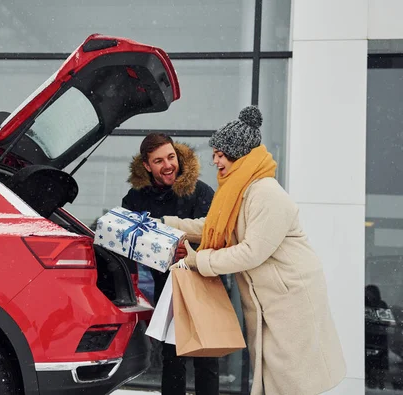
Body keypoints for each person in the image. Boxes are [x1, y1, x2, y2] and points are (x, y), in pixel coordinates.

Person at [164, 106, 346, 395]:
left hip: (290, 301)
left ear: (238, 154)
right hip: (269, 301)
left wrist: (201, 260)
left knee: (292, 381)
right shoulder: (239, 190)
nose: (214, 160)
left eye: (220, 154)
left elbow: (251, 251)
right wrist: (168, 225)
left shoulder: (266, 193)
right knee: (275, 377)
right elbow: (214, 225)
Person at [121, 133, 218, 395]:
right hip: (166, 288)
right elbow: (126, 243)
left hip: (203, 284)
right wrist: (163, 252)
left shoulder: (200, 191)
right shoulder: (136, 199)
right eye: (159, 160)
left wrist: (187, 251)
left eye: (171, 157)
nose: (168, 165)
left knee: (206, 357)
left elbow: (216, 235)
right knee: (172, 358)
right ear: (146, 165)